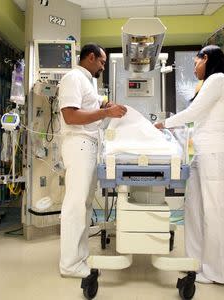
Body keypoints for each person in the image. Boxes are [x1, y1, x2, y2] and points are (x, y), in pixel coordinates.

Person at [155, 45, 224, 284]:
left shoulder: (218, 80)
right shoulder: (211, 83)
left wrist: (163, 124)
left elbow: (193, 112)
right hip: (203, 153)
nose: (194, 68)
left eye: (195, 62)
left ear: (206, 58)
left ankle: (218, 272)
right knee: (193, 209)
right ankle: (196, 263)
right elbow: (197, 118)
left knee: (213, 211)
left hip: (213, 152)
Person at [58, 43, 127, 278]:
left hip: (88, 146)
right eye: (102, 62)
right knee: (75, 206)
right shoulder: (73, 78)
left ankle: (80, 258)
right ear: (90, 57)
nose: (103, 66)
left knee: (85, 206)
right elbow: (70, 115)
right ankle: (69, 265)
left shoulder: (87, 81)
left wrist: (105, 104)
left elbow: (91, 104)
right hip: (78, 144)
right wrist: (105, 112)